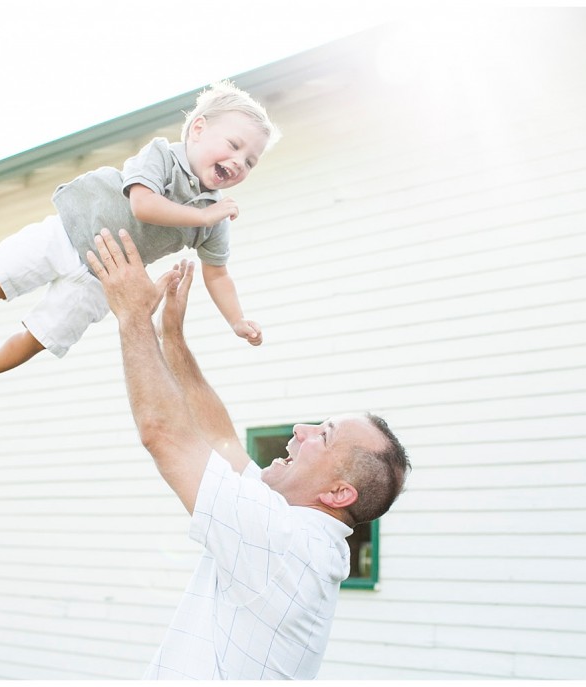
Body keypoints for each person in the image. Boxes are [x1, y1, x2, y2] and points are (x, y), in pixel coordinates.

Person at [86, 228, 411, 680]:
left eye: (324, 434)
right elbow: (221, 441)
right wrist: (172, 339)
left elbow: (164, 433)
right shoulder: (294, 529)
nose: (301, 429)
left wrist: (132, 317)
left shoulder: (285, 545)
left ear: (338, 492)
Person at [0, 81, 279, 412]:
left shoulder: (215, 213)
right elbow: (142, 204)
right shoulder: (161, 156)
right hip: (69, 232)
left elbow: (219, 273)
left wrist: (236, 320)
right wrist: (203, 218)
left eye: (251, 161)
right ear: (197, 129)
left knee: (40, 337)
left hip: (103, 279)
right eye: (234, 145)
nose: (240, 162)